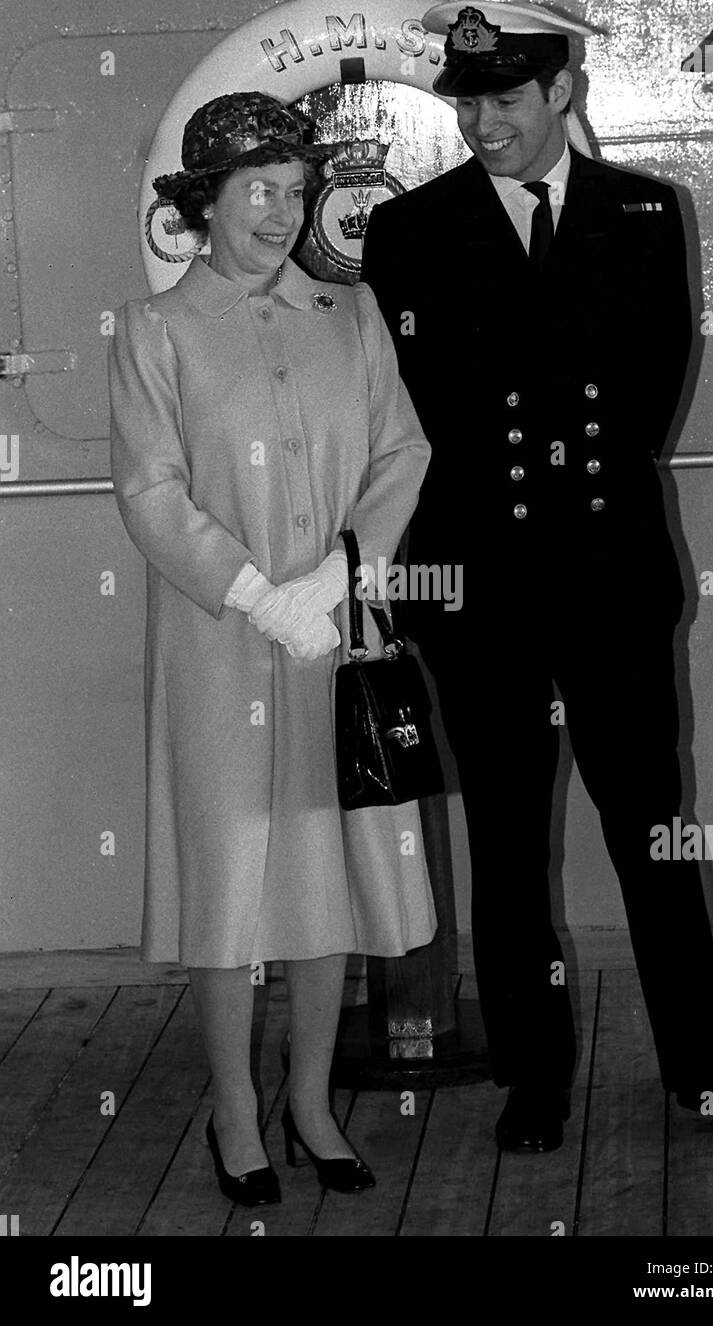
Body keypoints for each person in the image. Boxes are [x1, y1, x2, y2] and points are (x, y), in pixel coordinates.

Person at [360, 0, 713, 1151]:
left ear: (561, 92)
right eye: (465, 103)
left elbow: (645, 398)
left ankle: (706, 1070)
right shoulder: (410, 230)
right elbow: (425, 413)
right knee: (508, 845)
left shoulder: (645, 212)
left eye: (503, 101)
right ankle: (532, 1076)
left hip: (606, 575)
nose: (480, 125)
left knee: (654, 832)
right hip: (480, 589)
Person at [108, 92, 436, 1203]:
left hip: (338, 640)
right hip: (220, 649)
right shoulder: (156, 331)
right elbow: (149, 491)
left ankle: (306, 1098)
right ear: (203, 200)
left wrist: (341, 577)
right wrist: (256, 592)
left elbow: (403, 450)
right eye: (258, 190)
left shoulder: (346, 312)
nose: (282, 213)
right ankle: (234, 1106)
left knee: (325, 868)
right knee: (228, 874)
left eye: (296, 192)